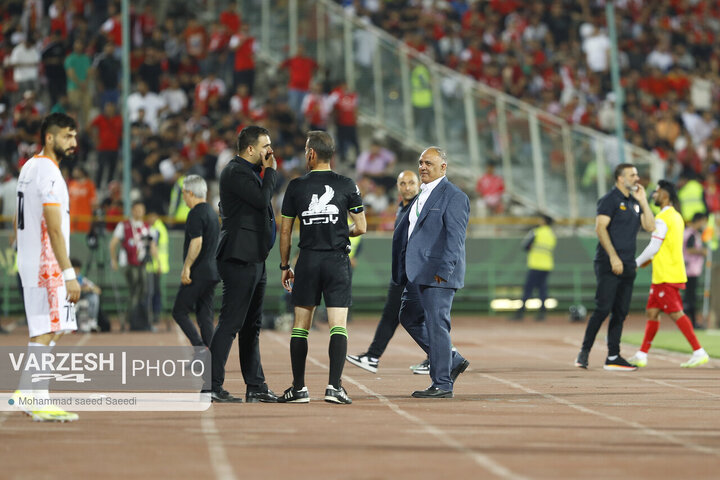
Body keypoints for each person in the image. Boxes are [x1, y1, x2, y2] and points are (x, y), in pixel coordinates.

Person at [277, 130, 366, 404]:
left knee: (300, 326)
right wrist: (341, 232)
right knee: (338, 325)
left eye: (306, 150)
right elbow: (361, 227)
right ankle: (334, 387)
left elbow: (285, 232)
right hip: (338, 262)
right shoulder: (347, 184)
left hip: (308, 261)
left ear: (311, 153)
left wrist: (284, 265)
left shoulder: (296, 186)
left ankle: (299, 388)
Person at [13, 112, 81, 422]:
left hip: (30, 260)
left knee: (51, 328)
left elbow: (19, 218)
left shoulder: (28, 167)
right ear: (50, 137)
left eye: (75, 136)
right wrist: (68, 273)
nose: (74, 143)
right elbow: (54, 228)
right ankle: (38, 398)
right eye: (68, 136)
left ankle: (27, 391)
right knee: (49, 328)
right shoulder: (51, 174)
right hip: (47, 264)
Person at [392, 147, 470, 398]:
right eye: (421, 162)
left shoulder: (454, 196)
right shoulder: (421, 194)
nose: (423, 167)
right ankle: (451, 358)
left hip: (437, 274)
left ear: (443, 168)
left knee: (437, 326)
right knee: (409, 316)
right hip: (417, 272)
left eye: (429, 163)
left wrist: (444, 272)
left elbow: (455, 238)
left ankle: (442, 383)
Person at [209, 126, 279, 404]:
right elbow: (262, 200)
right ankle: (211, 385)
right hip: (239, 257)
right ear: (250, 149)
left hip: (254, 258)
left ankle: (256, 386)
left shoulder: (248, 172)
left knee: (252, 325)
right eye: (265, 146)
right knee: (231, 322)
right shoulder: (236, 171)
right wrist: (271, 171)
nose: (269, 152)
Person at [346, 170, 429, 373]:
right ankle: (373, 356)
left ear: (419, 185)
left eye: (411, 183)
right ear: (398, 187)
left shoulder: (421, 207)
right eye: (403, 183)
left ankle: (446, 355)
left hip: (415, 273)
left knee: (421, 317)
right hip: (401, 274)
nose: (407, 187)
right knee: (393, 316)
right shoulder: (402, 207)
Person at [575, 163, 655, 371]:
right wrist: (613, 257)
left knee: (620, 312)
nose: (636, 178)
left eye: (636, 174)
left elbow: (650, 226)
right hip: (608, 262)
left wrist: (644, 201)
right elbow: (600, 228)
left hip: (628, 263)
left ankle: (613, 356)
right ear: (620, 178)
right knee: (602, 309)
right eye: (632, 175)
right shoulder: (609, 200)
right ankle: (584, 352)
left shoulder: (634, 202)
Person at [628, 181, 709, 368]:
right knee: (652, 312)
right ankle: (642, 354)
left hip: (667, 275)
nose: (654, 194)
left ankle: (698, 351)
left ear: (665, 194)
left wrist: (636, 263)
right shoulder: (677, 216)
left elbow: (655, 245)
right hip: (665, 274)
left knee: (675, 313)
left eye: (656, 191)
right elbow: (664, 247)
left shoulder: (663, 217)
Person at [172, 175, 220, 348]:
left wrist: (187, 267)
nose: (183, 196)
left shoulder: (196, 213)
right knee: (204, 316)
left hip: (199, 272)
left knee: (179, 311)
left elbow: (196, 242)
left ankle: (199, 349)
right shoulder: (211, 213)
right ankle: (214, 356)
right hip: (212, 271)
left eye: (184, 193)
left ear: (190, 192)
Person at [109, 200, 157, 331]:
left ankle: (135, 317)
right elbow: (113, 243)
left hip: (142, 262)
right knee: (135, 286)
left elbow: (152, 245)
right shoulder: (123, 225)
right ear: (132, 210)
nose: (139, 212)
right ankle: (130, 318)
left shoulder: (147, 227)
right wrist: (113, 260)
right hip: (128, 263)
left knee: (142, 289)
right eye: (137, 209)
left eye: (141, 209)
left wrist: (157, 261)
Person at [512, 214, 557, 321]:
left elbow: (525, 245)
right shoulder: (552, 234)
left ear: (544, 221)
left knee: (528, 289)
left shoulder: (537, 231)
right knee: (542, 289)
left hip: (535, 264)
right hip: (547, 265)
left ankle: (520, 312)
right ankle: (542, 313)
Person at [682, 212, 708, 328]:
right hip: (690, 269)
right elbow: (690, 249)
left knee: (689, 298)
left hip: (689, 269)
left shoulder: (690, 233)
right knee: (689, 298)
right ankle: (689, 323)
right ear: (699, 220)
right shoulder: (691, 234)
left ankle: (690, 323)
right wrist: (702, 251)